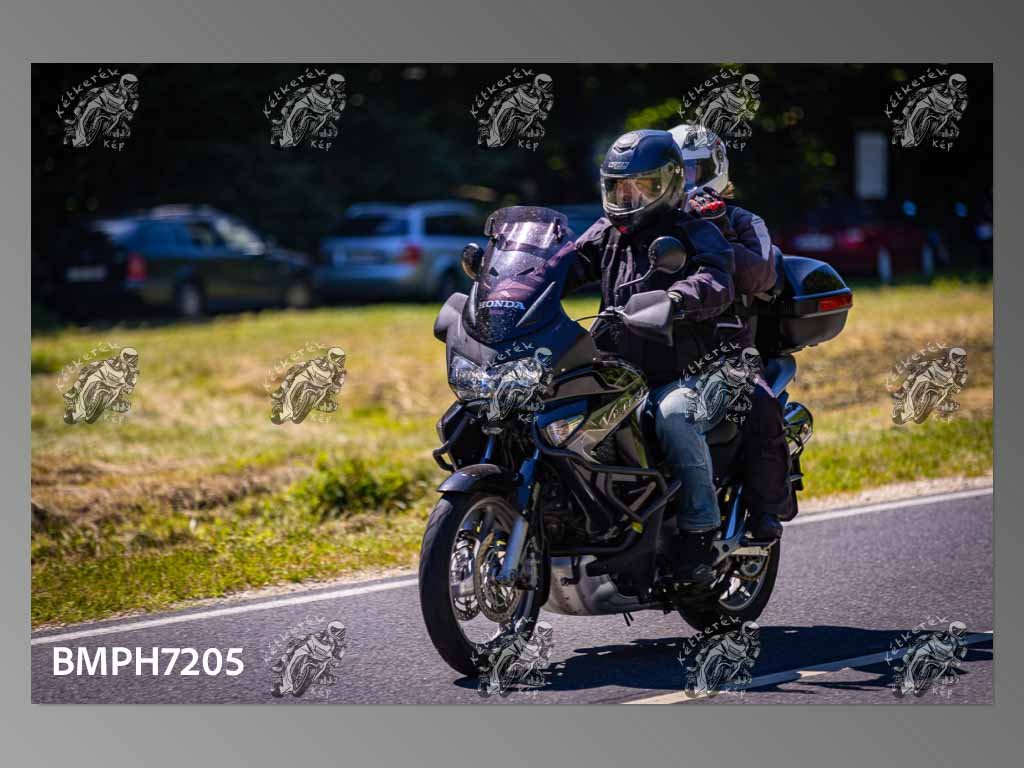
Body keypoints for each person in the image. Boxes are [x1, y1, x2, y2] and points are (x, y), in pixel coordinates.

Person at [564, 129, 736, 587]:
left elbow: (716, 279)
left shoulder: (693, 230)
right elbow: (564, 265)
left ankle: (700, 532)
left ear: (672, 183)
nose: (629, 198)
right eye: (620, 188)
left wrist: (677, 299)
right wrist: (514, 286)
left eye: (643, 186)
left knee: (675, 416)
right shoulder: (607, 233)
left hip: (686, 372)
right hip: (618, 372)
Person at [670, 123, 791, 539]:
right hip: (658, 348)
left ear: (717, 170)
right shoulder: (654, 220)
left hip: (725, 352)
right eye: (678, 171)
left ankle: (765, 507)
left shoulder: (743, 220)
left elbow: (760, 276)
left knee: (758, 404)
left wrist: (718, 229)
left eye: (695, 170)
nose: (687, 181)